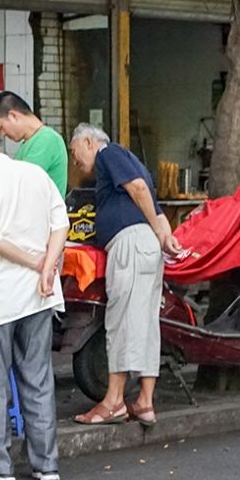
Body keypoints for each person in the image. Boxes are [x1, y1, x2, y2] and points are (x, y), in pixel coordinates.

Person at [0, 119, 68, 480]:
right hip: (39, 294)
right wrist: (48, 265)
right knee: (37, 378)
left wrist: (37, 262)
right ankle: (46, 463)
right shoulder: (35, 175)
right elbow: (60, 224)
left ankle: (0, 465)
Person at [68, 124, 182, 427]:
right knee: (145, 322)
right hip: (147, 246)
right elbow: (154, 207)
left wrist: (160, 232)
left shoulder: (109, 154)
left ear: (90, 142)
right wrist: (163, 236)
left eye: (74, 150)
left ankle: (114, 402)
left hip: (130, 244)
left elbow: (139, 190)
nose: (74, 159)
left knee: (119, 322)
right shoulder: (133, 161)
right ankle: (144, 402)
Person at [0, 91, 68, 195]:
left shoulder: (48, 139)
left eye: (0, 127)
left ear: (13, 116)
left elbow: (22, 182)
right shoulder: (29, 143)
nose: (2, 134)